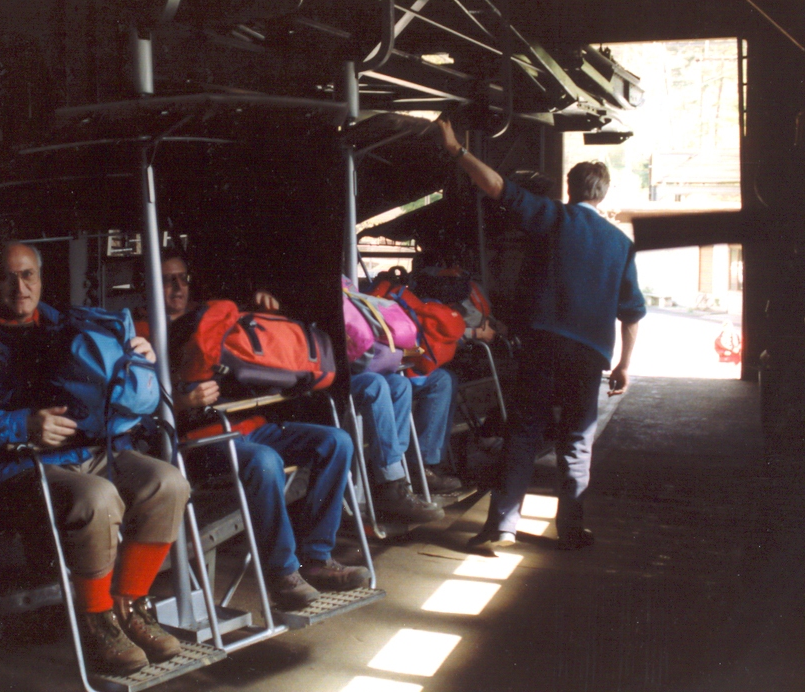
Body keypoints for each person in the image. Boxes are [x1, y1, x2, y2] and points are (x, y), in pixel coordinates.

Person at [0, 242, 191, 675]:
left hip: (94, 450)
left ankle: (130, 606)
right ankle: (98, 621)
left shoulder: (69, 323)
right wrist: (20, 425)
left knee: (168, 483)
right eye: (7, 277)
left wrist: (136, 358)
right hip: (22, 466)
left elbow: (115, 383)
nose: (19, 287)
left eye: (28, 275)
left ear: (41, 278)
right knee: (97, 498)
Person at [436, 119, 646, 551]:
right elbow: (631, 314)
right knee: (577, 440)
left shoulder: (553, 217)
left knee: (524, 432)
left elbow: (496, 186)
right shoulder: (620, 244)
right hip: (588, 355)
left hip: (543, 347)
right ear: (602, 195)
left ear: (569, 188)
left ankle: (502, 526)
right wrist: (625, 364)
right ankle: (571, 530)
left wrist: (456, 148)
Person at [156, 250, 371, 610]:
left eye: (182, 278)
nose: (178, 287)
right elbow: (136, 404)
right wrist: (181, 400)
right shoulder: (143, 332)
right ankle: (283, 573)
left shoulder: (213, 318)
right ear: (147, 284)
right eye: (167, 280)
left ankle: (316, 558)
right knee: (265, 461)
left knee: (338, 441)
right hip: (198, 442)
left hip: (250, 427)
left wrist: (264, 319)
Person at [350, 370, 446, 523]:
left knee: (400, 384)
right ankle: (390, 483)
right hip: (336, 375)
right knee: (375, 383)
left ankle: (393, 477)